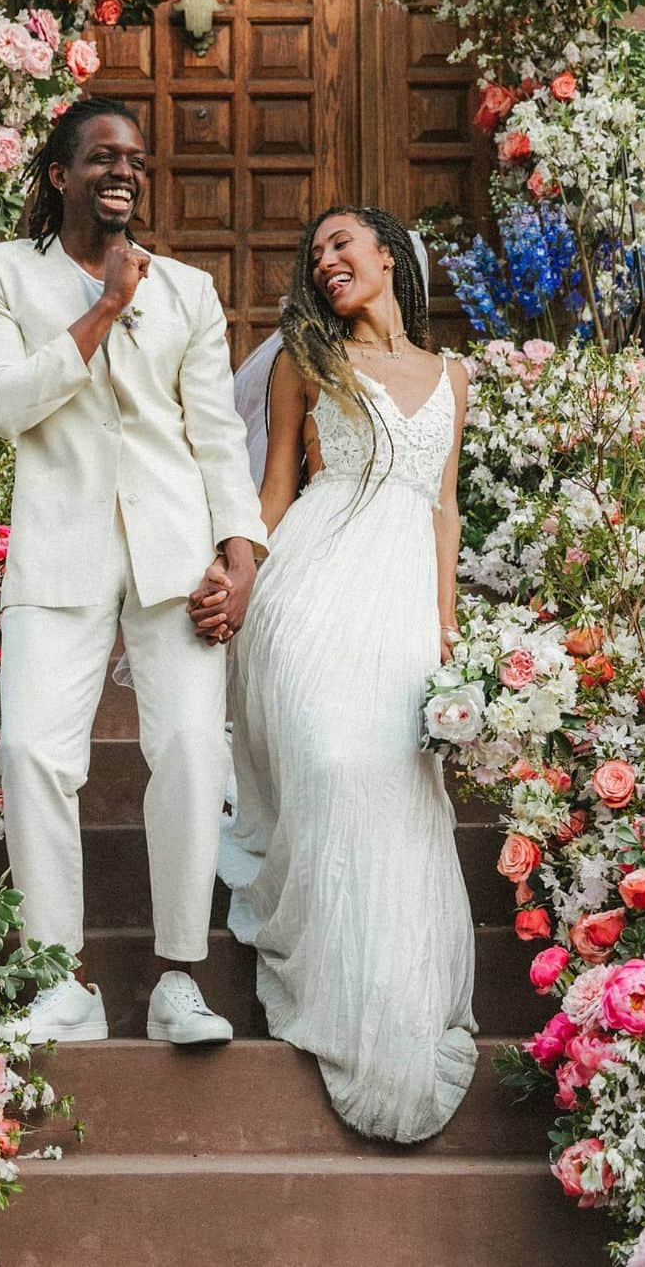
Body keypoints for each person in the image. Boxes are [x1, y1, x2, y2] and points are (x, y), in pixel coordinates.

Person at [0, 97, 267, 1045]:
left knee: (190, 752)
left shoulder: (189, 291)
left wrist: (241, 555)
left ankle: (181, 978)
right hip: (60, 547)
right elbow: (3, 403)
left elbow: (216, 434)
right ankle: (65, 980)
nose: (124, 172)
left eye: (135, 159)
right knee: (32, 754)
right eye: (102, 158)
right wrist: (104, 309)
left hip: (178, 555)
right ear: (59, 176)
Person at [192, 205, 478, 1141]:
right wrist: (239, 577)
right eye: (313, 252)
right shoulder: (298, 363)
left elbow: (444, 510)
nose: (324, 262)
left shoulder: (452, 378)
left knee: (393, 789)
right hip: (310, 587)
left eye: (340, 245)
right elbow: (275, 488)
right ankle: (324, 976)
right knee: (329, 765)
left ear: (390, 256)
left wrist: (445, 631)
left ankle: (386, 996)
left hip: (400, 608)